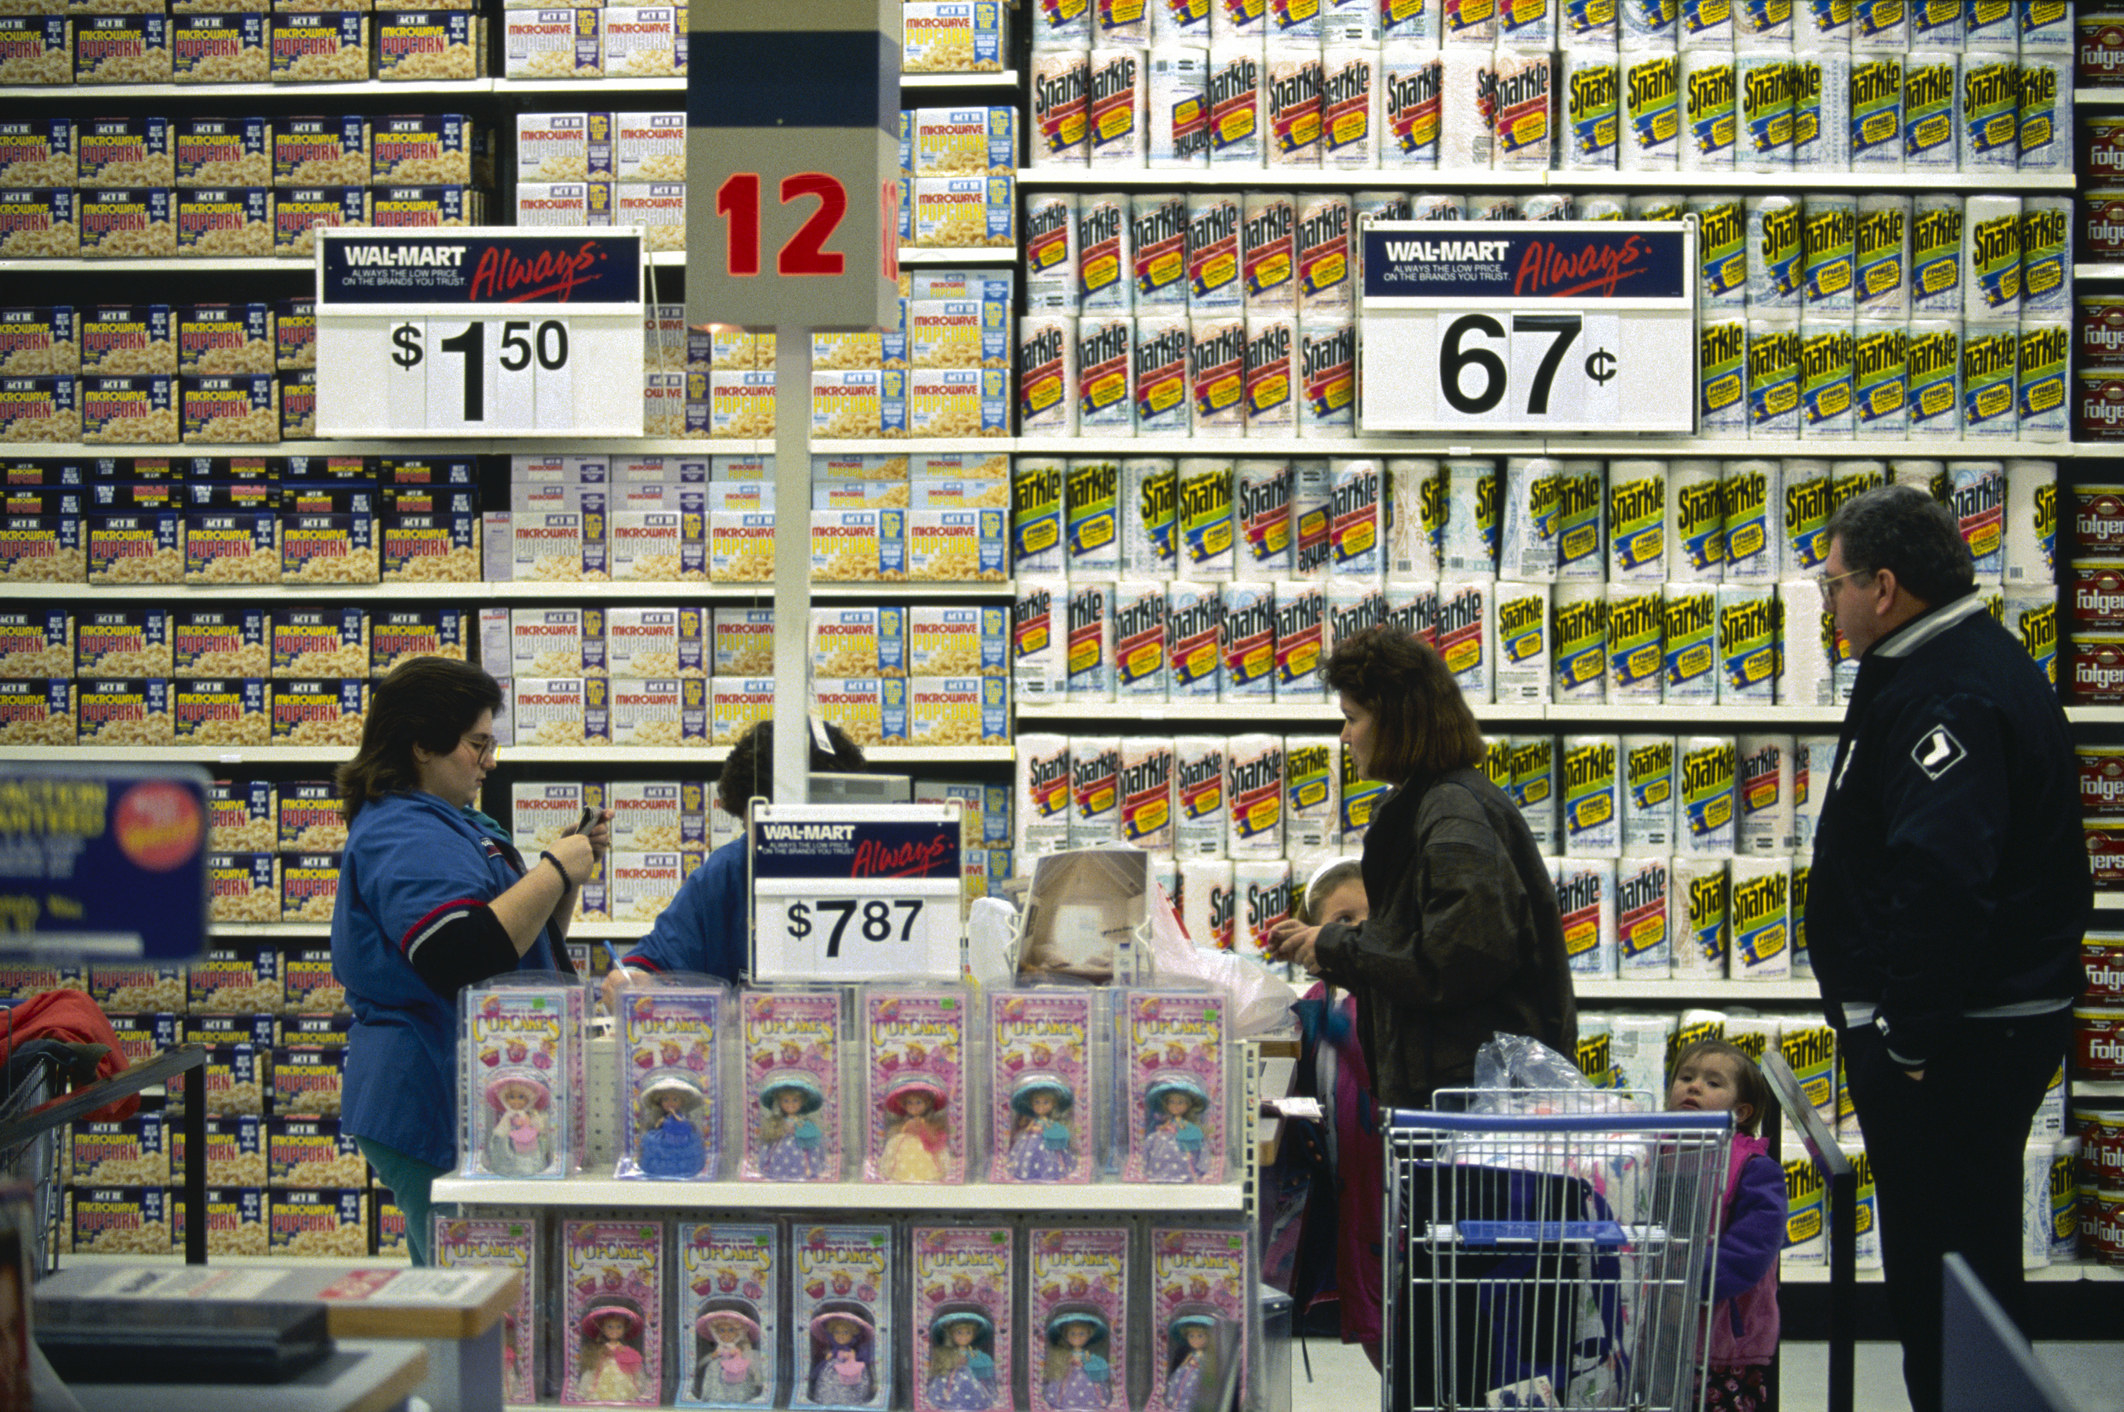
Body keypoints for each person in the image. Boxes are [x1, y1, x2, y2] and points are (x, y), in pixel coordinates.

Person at [1807, 483, 2089, 1412]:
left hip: (1963, 1039)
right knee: (1951, 1263)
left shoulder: (1951, 690)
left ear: (1885, 586)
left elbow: (1941, 877)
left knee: (1946, 1270)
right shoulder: (1935, 663)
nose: (1826, 602)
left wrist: (1910, 1040)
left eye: (1833, 582)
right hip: (1967, 1029)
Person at [331, 659, 609, 1265]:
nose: (489, 761)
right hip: (428, 1089)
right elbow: (456, 954)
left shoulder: (456, 822)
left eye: (492, 743)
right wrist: (554, 869)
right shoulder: (403, 829)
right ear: (421, 744)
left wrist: (561, 884)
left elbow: (516, 945)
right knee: (465, 1288)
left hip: (468, 1086)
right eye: (477, 744)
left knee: (467, 1282)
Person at [1265, 627, 1576, 1105]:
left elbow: (1452, 963)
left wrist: (1336, 945)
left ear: (1394, 721)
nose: (1344, 735)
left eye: (1352, 718)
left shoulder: (1454, 816)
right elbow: (1425, 962)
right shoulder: (1434, 807)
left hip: (1475, 1113)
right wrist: (1326, 948)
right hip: (1461, 1102)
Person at [606, 719, 866, 1006]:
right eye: (761, 828)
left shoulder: (880, 871)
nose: (777, 848)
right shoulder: (725, 874)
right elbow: (652, 960)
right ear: (744, 814)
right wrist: (633, 981)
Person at [1267, 860, 1386, 1369]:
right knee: (1373, 1326)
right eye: (1340, 920)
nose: (1356, 930)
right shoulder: (1312, 1010)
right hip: (1350, 1195)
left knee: (1411, 1320)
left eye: (1370, 917)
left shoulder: (1397, 1003)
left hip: (1400, 1188)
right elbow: (1307, 1091)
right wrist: (1274, 1107)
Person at [1666, 1039, 1781, 1412]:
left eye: (1714, 1083)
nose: (1694, 1086)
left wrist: (1687, 1281)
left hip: (1724, 1341)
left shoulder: (1755, 1170)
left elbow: (1752, 1249)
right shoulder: (1652, 1151)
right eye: (1686, 1077)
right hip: (1659, 1337)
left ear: (1742, 1111)